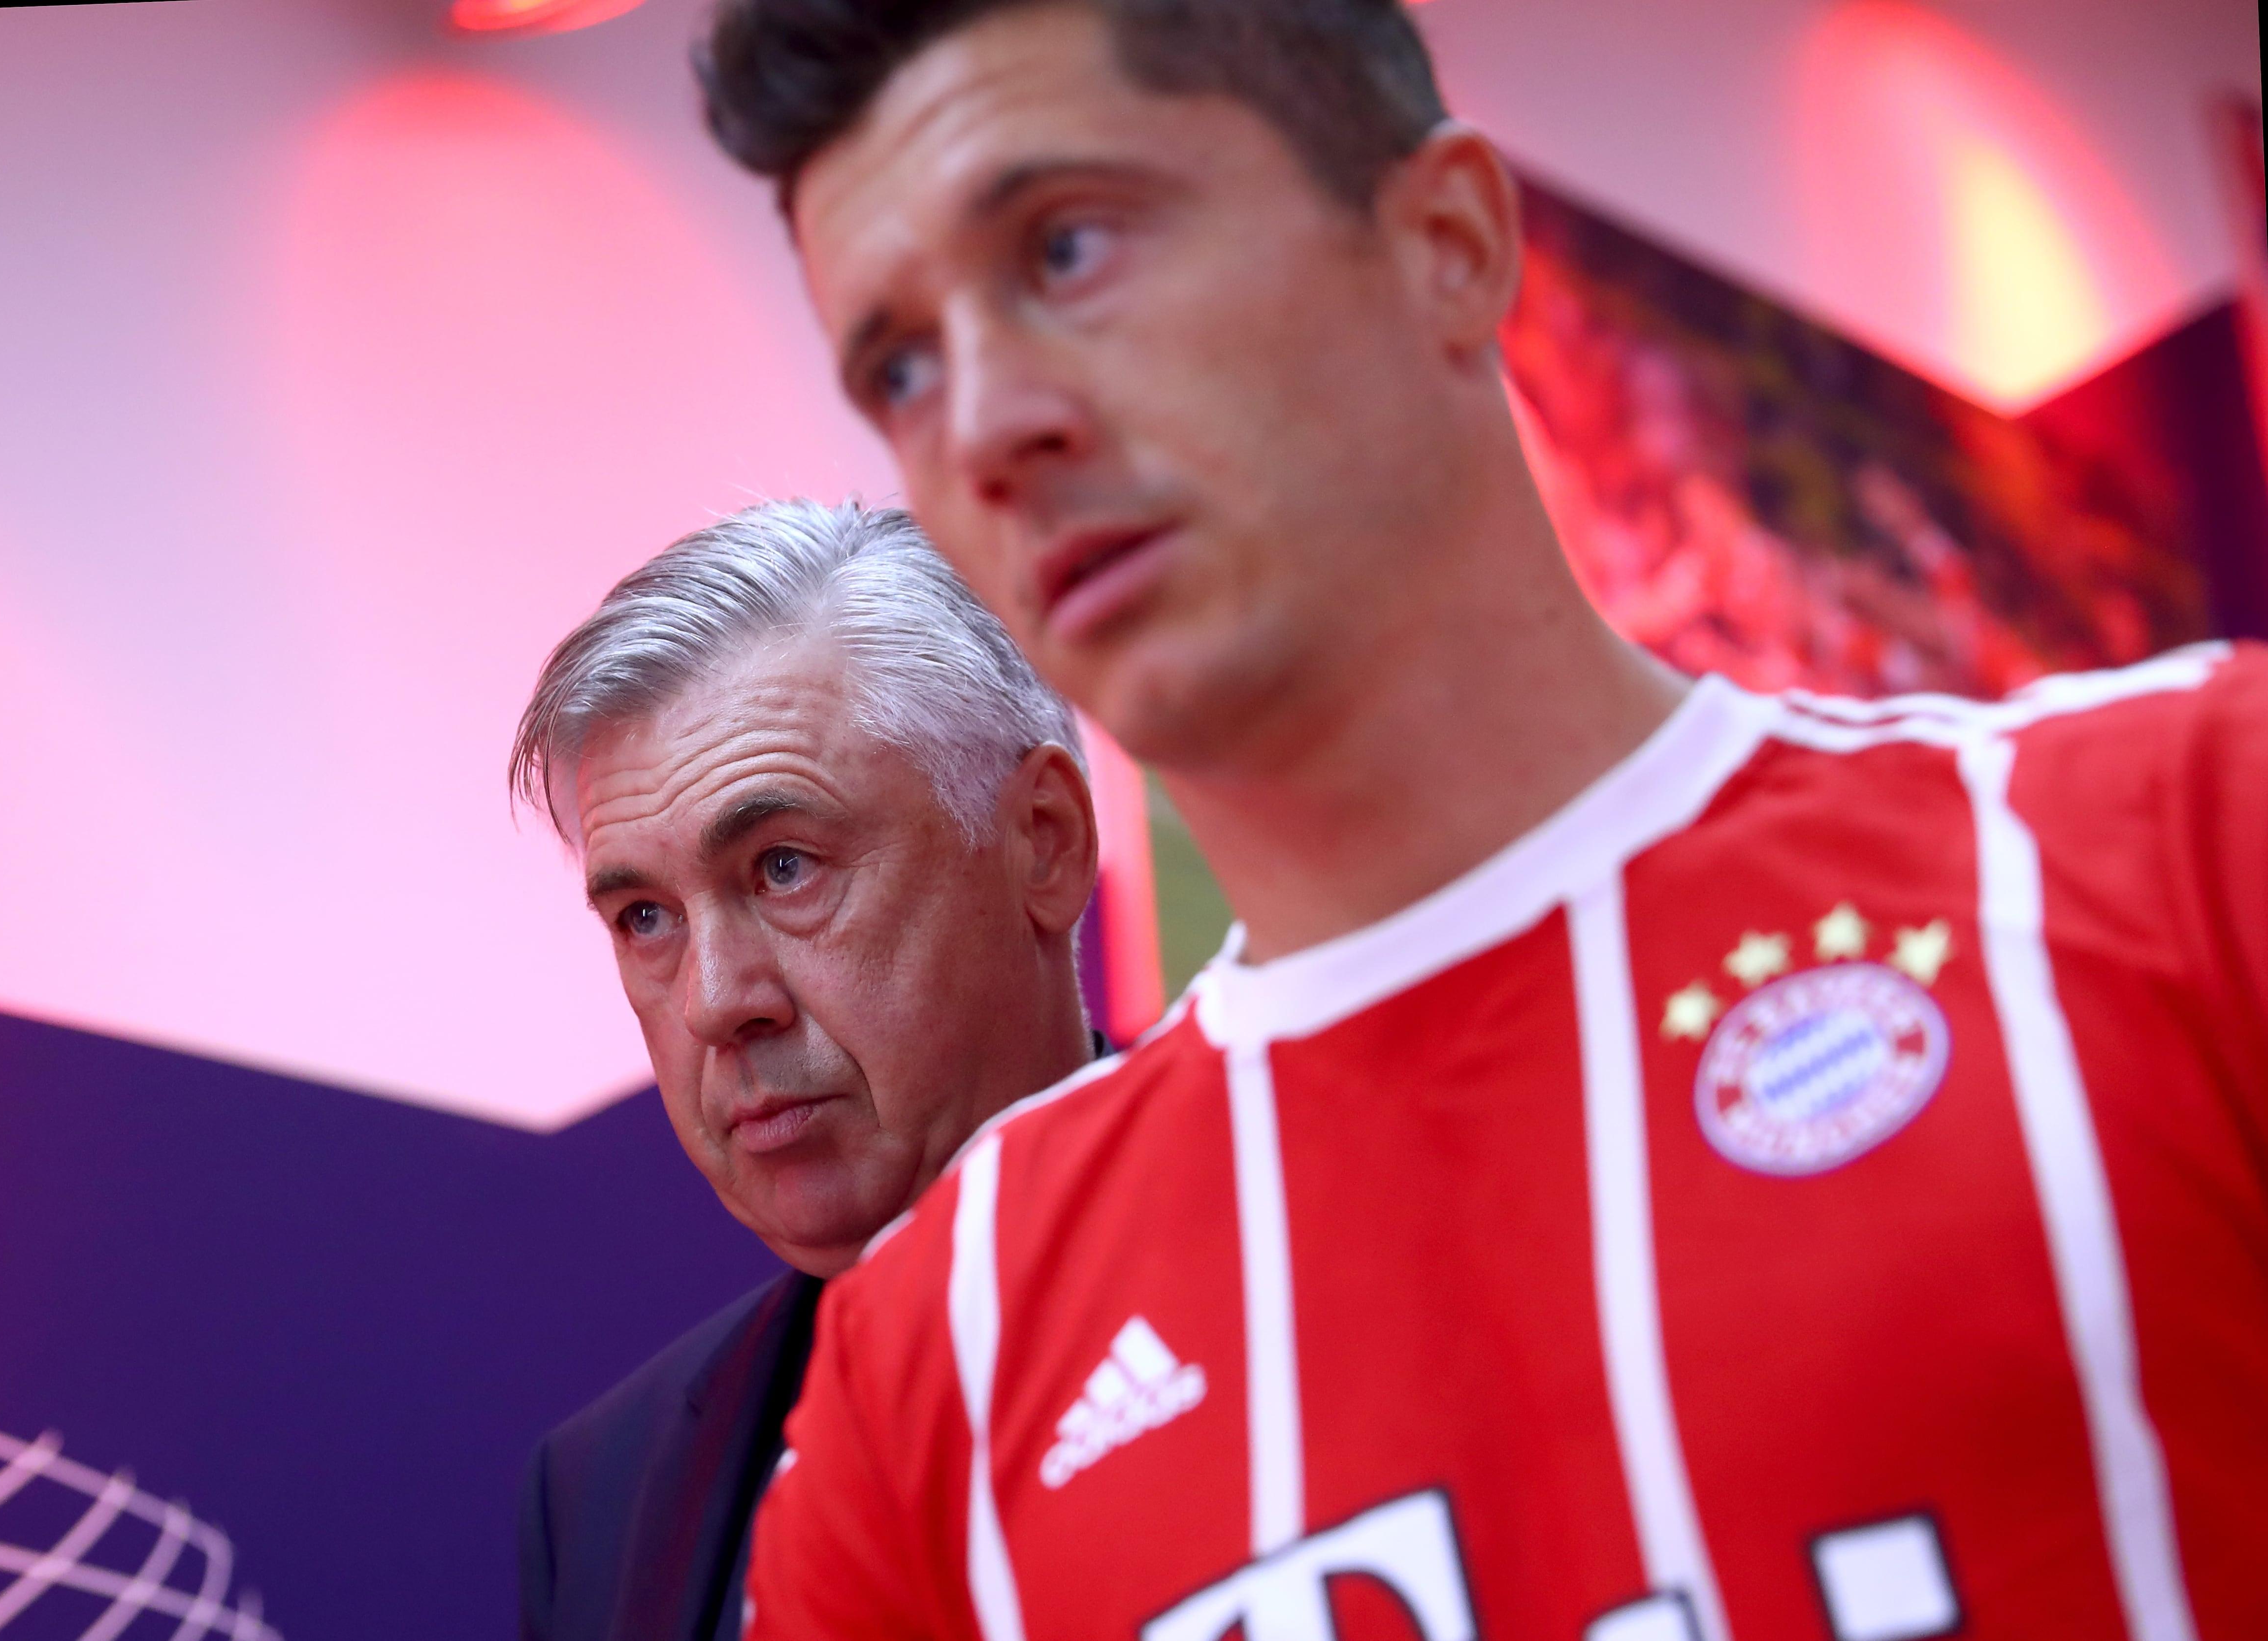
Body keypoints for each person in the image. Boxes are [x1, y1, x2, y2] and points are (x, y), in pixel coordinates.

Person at [695, 2, 2268, 1637]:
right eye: (899, 365)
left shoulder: (2183, 847)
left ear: (1445, 241)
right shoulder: (939, 1358)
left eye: (1069, 246)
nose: (988, 423)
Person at [507, 499, 1102, 1641]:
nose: (717, 998)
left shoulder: (1314, 1255)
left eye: (783, 867)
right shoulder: (600, 1496)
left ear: (1044, 839)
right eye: (644, 915)